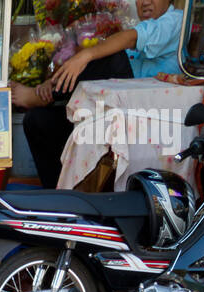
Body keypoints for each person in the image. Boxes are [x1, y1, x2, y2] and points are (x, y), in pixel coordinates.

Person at [15, 0, 184, 188]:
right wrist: (56, 77)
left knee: (112, 58)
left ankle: (45, 96)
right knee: (37, 121)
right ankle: (59, 199)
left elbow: (127, 42)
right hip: (110, 117)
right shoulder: (136, 27)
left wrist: (85, 56)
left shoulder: (176, 20)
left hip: (148, 119)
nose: (145, 2)